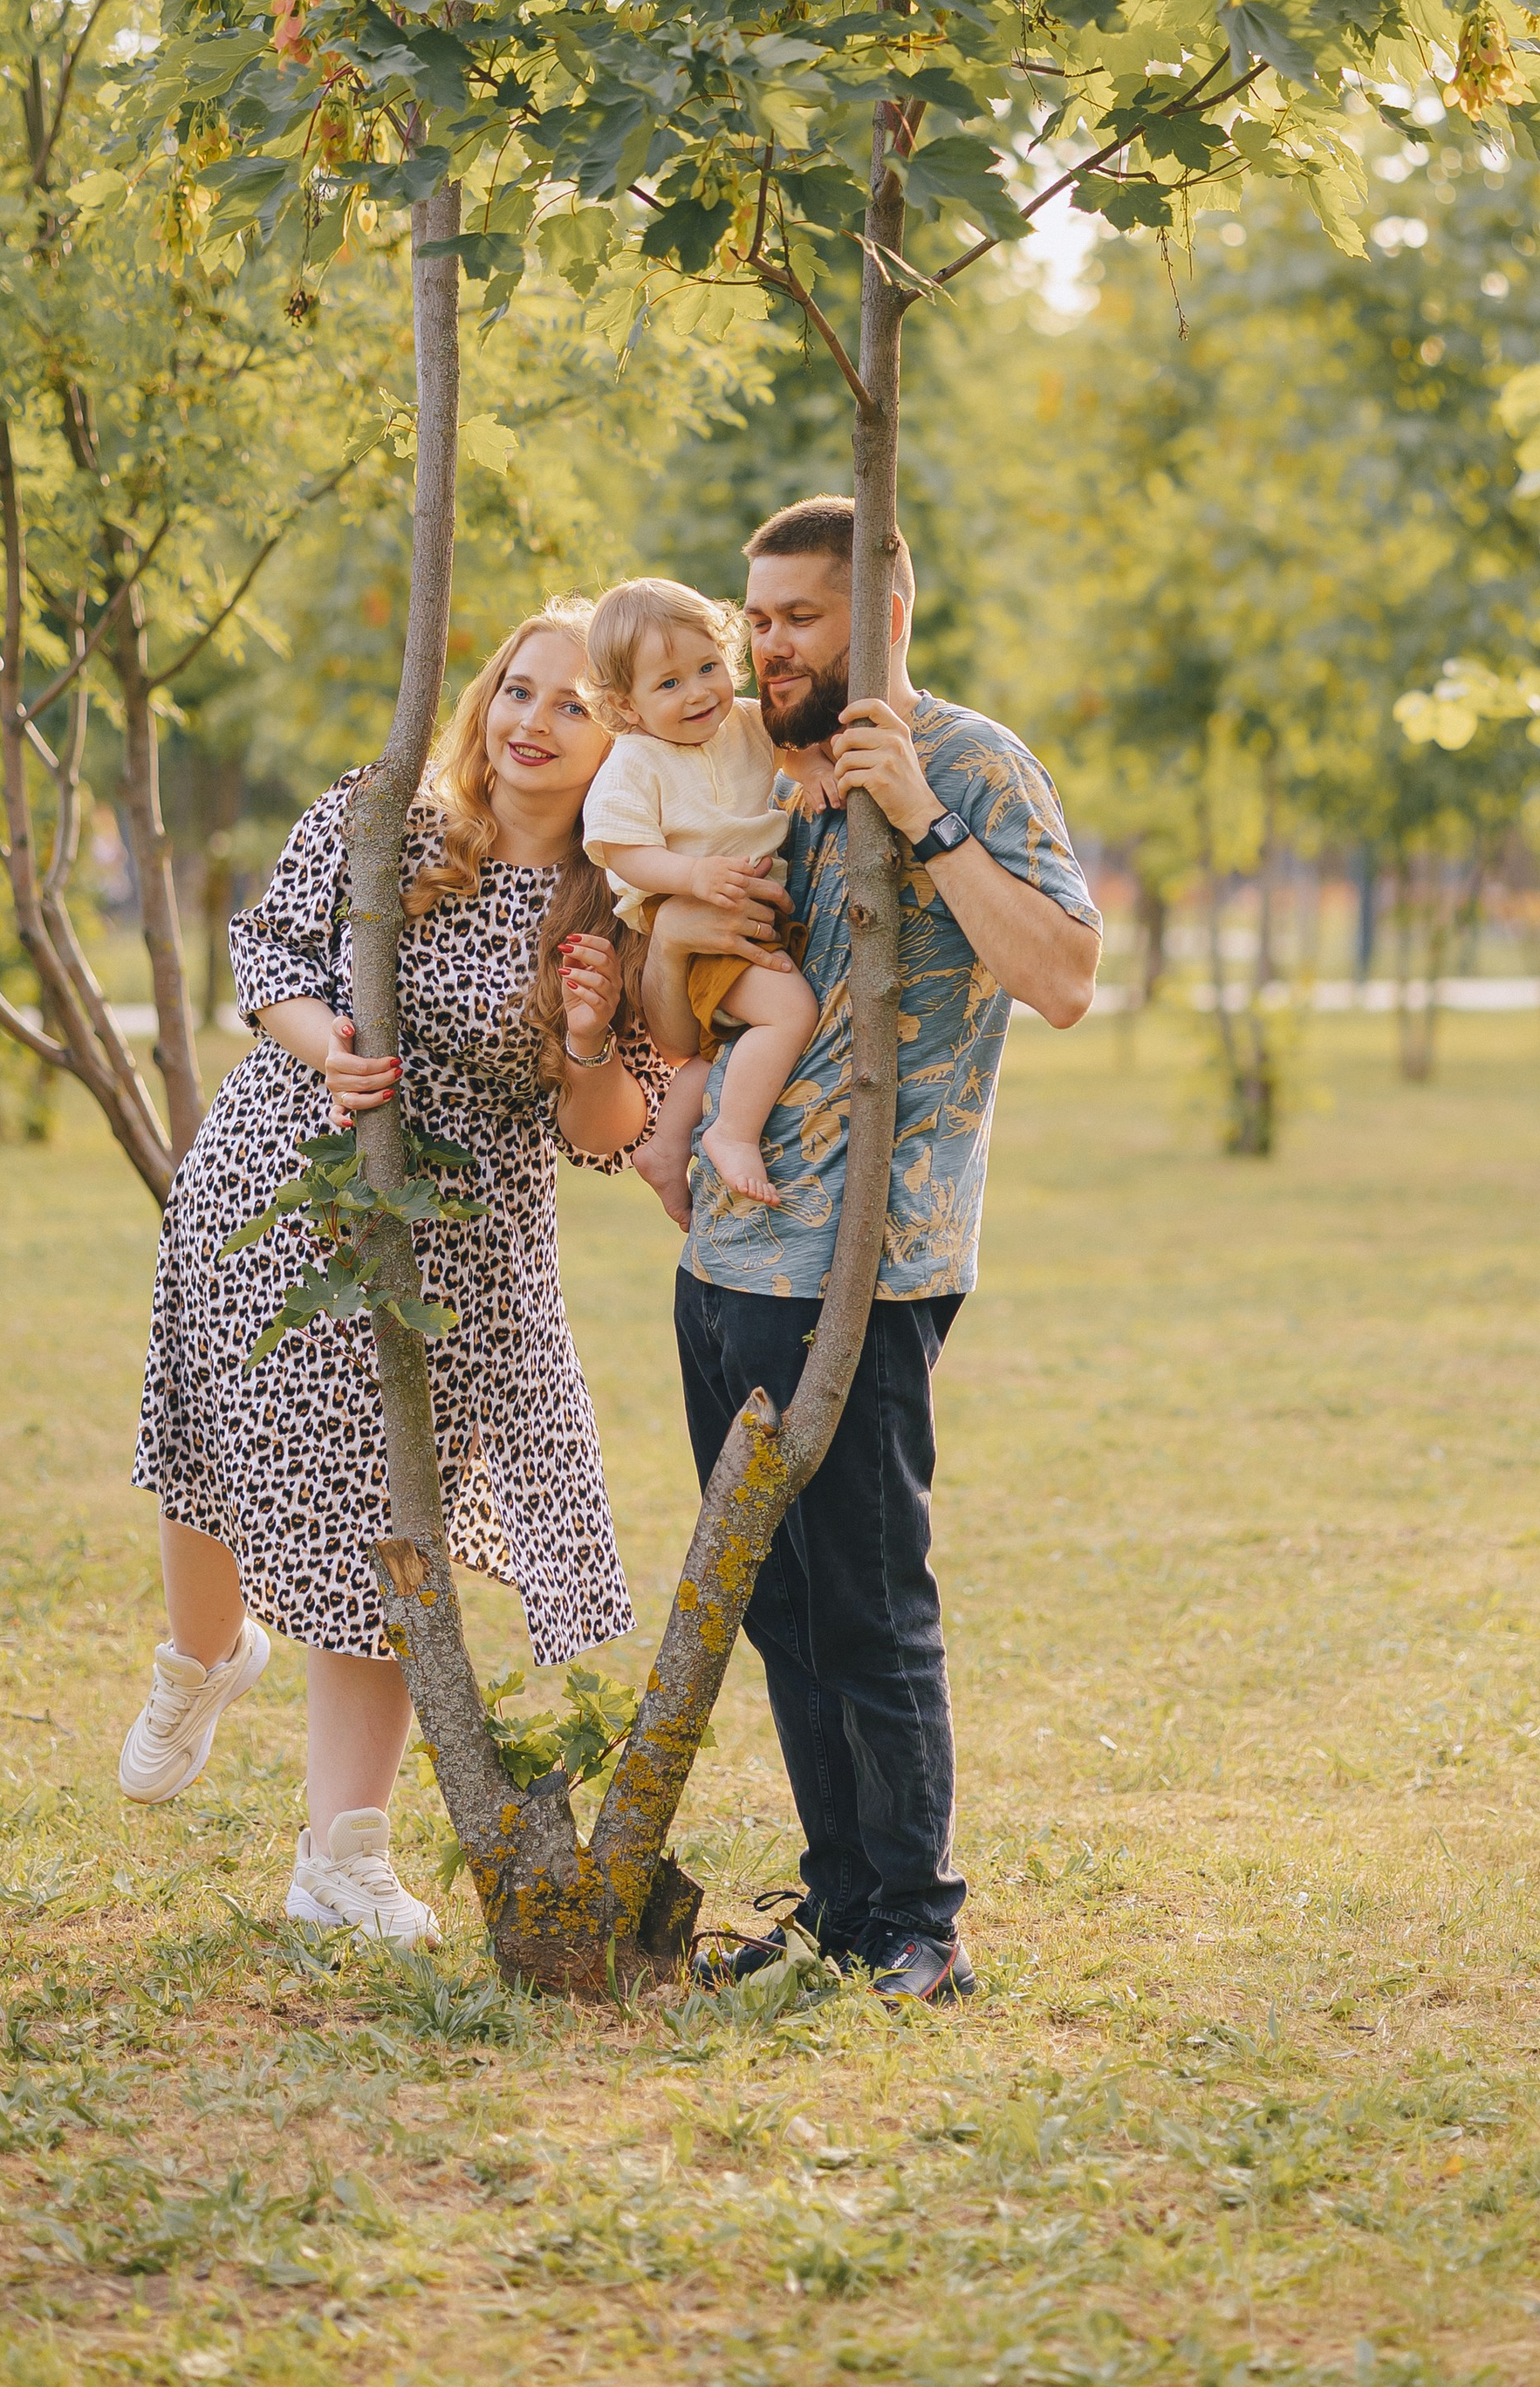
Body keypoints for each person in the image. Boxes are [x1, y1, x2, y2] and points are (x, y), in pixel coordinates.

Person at [122, 599, 665, 1946]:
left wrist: (592, 1033)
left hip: (452, 1249)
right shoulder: (391, 815)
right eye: (518, 690)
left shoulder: (624, 905)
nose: (533, 723)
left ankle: (341, 1857)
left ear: (624, 740)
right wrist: (331, 1050)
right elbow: (271, 958)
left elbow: (612, 1130)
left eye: (575, 705)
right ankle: (203, 1655)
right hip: (278, 1177)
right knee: (212, 1446)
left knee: (384, 1524)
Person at [642, 496, 1101, 2005]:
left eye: (800, 619)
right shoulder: (741, 778)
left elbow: (1065, 977)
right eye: (756, 615)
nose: (765, 644)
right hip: (722, 1266)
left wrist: (923, 816)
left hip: (868, 1271)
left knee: (873, 1600)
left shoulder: (968, 762)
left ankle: (920, 1921)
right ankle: (840, 1905)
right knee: (775, 1599)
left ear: (884, 619)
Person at [580, 575, 819, 1221]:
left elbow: (789, 754)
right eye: (668, 684)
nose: (698, 692)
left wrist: (815, 772)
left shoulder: (745, 721)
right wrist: (691, 878)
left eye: (708, 666)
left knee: (723, 1045)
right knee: (789, 1010)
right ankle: (730, 1134)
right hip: (693, 914)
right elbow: (621, 847)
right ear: (625, 706)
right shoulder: (636, 760)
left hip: (740, 910)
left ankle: (664, 1147)